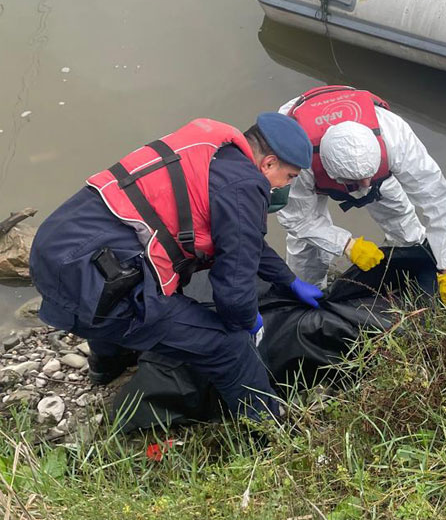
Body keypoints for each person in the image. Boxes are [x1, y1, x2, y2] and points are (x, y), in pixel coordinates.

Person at [29, 115, 324, 420]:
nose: (286, 186)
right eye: (289, 177)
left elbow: (242, 239)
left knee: (108, 292)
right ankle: (269, 431)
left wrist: (288, 280)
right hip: (91, 278)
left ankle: (106, 368)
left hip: (54, 250)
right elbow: (234, 296)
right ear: (269, 164)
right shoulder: (245, 185)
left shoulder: (213, 149)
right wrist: (249, 321)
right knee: (230, 347)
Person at [276, 86, 446, 305]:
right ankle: (308, 295)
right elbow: (297, 219)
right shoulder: (295, 156)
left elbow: (437, 198)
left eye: (368, 177)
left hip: (371, 160)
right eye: (354, 183)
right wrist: (346, 244)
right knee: (306, 248)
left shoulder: (395, 136)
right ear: (328, 170)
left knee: (400, 218)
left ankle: (409, 255)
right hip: (309, 151)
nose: (365, 187)